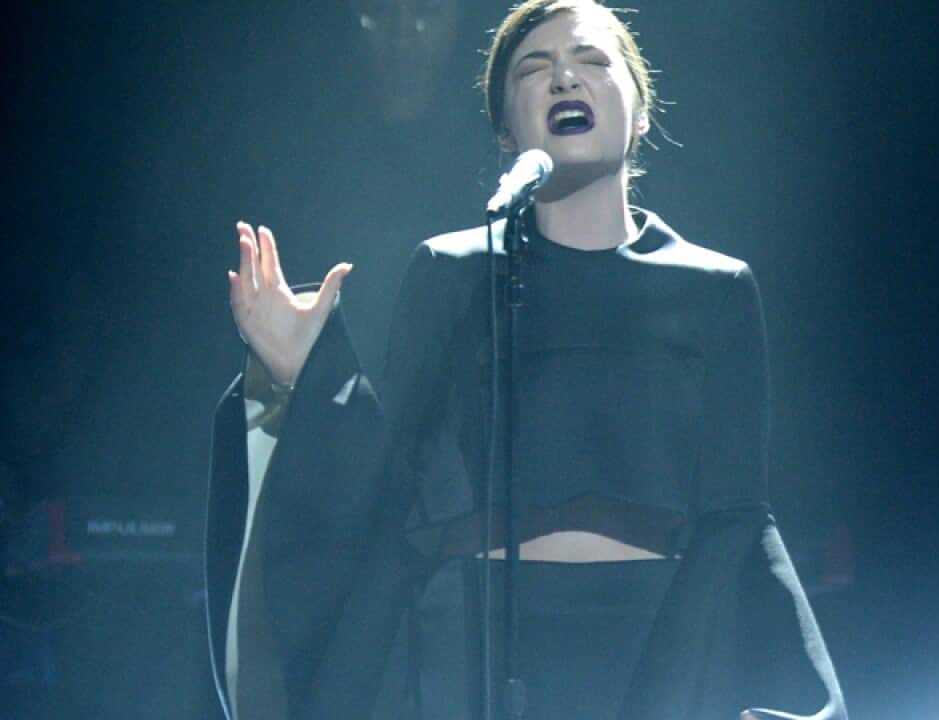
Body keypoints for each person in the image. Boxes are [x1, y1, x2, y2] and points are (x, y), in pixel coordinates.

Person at [204, 1, 846, 718]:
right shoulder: (451, 272)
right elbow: (393, 491)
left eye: (593, 62)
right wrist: (303, 377)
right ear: (508, 132)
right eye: (535, 70)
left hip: (653, 644)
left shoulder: (716, 289)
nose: (564, 78)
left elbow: (737, 518)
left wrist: (795, 694)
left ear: (639, 116)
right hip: (475, 645)